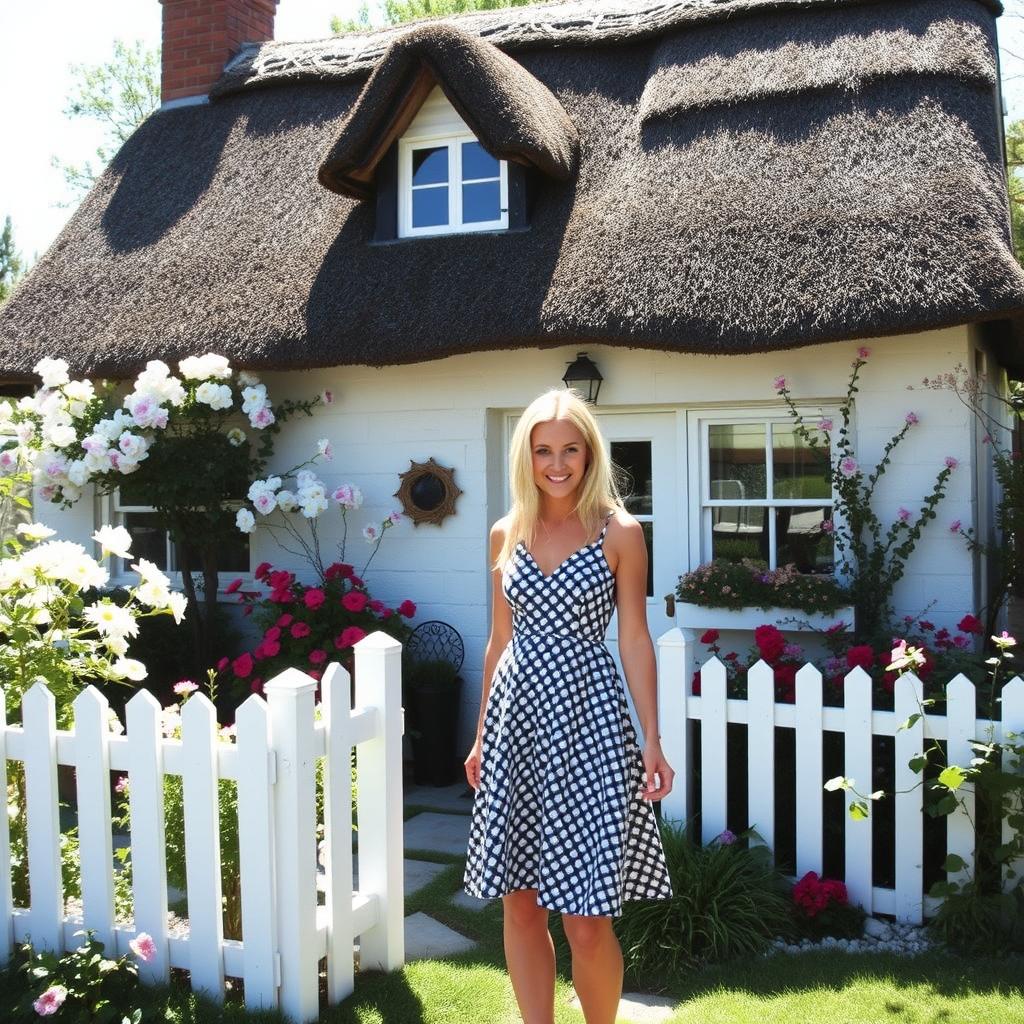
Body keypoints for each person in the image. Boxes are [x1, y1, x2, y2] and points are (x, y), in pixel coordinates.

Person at [463, 387, 675, 1024]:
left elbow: (634, 637)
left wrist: (652, 738)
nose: (557, 463)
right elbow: (499, 641)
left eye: (570, 450)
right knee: (521, 904)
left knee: (587, 918)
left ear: (590, 453)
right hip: (516, 723)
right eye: (543, 450)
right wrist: (479, 737)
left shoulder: (621, 532)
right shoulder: (506, 532)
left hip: (591, 726)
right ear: (526, 457)